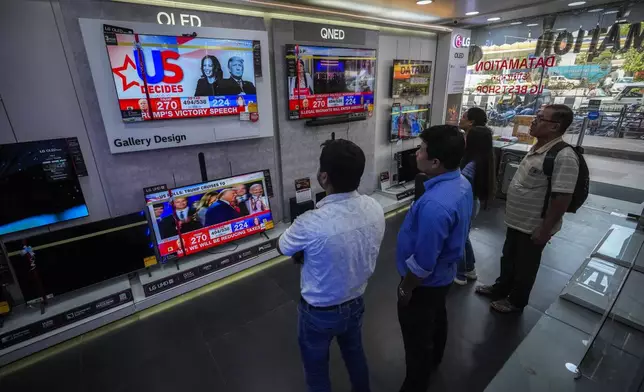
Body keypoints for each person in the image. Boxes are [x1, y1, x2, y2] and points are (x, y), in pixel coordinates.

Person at [278, 139, 385, 392]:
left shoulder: (310, 223)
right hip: (356, 302)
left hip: (318, 312)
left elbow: (283, 246)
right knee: (355, 356)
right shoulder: (375, 207)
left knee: (316, 372)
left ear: (323, 177)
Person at [475, 104, 580, 313]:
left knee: (526, 266)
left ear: (554, 126)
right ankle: (501, 288)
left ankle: (516, 301)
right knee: (509, 258)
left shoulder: (564, 156)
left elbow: (562, 197)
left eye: (540, 118)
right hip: (517, 221)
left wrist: (545, 228)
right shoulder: (539, 148)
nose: (533, 121)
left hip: (534, 225)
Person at [396, 125, 472, 392]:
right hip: (444, 276)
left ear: (436, 162)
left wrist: (407, 287)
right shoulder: (460, 183)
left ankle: (415, 384)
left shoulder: (435, 205)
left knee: (417, 340)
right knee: (438, 319)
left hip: (424, 283)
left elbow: (424, 261)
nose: (417, 153)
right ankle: (434, 360)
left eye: (421, 149)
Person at [454, 126, 496, 285]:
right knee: (464, 237)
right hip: (473, 202)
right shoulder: (485, 159)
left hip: (467, 204)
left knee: (459, 239)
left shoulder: (472, 163)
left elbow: (462, 186)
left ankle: (460, 274)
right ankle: (470, 268)